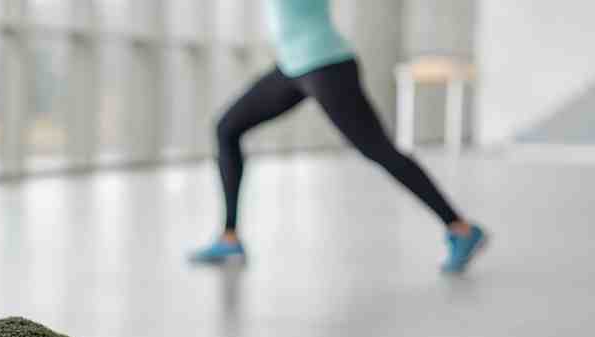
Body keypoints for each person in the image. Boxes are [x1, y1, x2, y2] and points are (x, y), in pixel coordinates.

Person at [190, 0, 486, 273]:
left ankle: (460, 228)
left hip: (326, 64)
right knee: (226, 128)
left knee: (379, 150)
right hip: (292, 65)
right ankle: (229, 237)